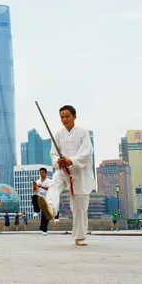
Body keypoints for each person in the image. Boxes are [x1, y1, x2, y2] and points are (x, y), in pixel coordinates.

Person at [39, 105, 94, 246]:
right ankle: (51, 208)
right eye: (62, 117)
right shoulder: (58, 135)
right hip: (63, 171)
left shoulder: (83, 133)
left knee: (79, 208)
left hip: (80, 173)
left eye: (67, 116)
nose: (64, 119)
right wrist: (59, 161)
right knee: (53, 184)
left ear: (74, 116)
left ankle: (80, 237)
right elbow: (53, 154)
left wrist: (72, 160)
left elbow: (87, 152)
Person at [33, 167, 52, 235]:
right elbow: (35, 190)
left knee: (45, 215)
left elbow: (48, 188)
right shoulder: (38, 181)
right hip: (39, 197)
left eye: (42, 172)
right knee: (34, 196)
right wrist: (34, 186)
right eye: (40, 173)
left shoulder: (49, 181)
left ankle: (44, 230)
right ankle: (36, 210)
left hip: (46, 199)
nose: (41, 174)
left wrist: (41, 187)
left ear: (46, 173)